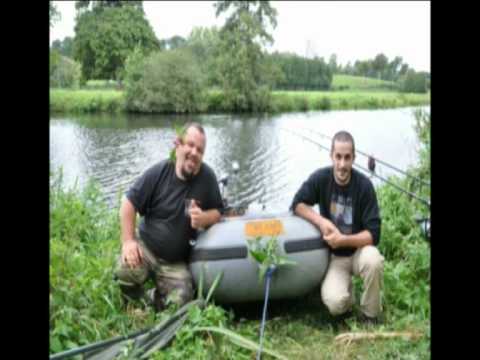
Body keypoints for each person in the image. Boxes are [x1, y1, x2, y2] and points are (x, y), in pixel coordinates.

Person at [114, 122, 224, 312]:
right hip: (146, 248)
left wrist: (203, 218)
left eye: (200, 150)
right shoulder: (160, 172)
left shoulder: (207, 177)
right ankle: (135, 301)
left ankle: (154, 297)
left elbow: (218, 211)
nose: (194, 153)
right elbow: (128, 204)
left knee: (181, 301)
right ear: (177, 144)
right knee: (125, 272)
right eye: (190, 145)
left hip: (175, 262)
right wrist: (128, 241)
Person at [290, 130, 384, 324]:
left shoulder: (364, 186)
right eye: (338, 157)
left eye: (347, 158)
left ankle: (370, 315)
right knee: (335, 303)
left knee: (374, 260)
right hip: (335, 258)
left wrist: (344, 240)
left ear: (354, 158)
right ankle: (348, 299)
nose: (342, 164)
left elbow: (374, 235)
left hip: (359, 252)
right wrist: (321, 221)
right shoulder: (321, 178)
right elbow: (297, 204)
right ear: (331, 155)